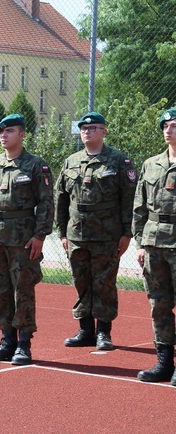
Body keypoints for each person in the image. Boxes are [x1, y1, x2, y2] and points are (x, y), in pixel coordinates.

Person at [0, 114, 54, 366]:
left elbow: (45, 203)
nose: (3, 135)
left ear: (22, 135)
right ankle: (6, 340)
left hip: (23, 239)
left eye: (9, 131)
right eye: (1, 131)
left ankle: (24, 344)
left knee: (23, 290)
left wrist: (40, 235)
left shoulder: (34, 165)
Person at [56, 112, 137, 350]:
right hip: (76, 234)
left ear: (104, 132)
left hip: (107, 235)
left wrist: (127, 233)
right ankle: (84, 331)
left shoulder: (119, 161)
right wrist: (62, 233)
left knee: (104, 283)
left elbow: (129, 199)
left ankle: (103, 332)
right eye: (83, 128)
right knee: (81, 281)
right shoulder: (71, 162)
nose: (87, 132)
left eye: (93, 128)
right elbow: (61, 199)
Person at [132, 107, 176, 384]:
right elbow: (139, 207)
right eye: (165, 126)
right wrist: (139, 243)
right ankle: (164, 362)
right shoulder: (151, 164)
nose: (169, 130)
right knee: (158, 304)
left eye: (174, 125)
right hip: (154, 242)